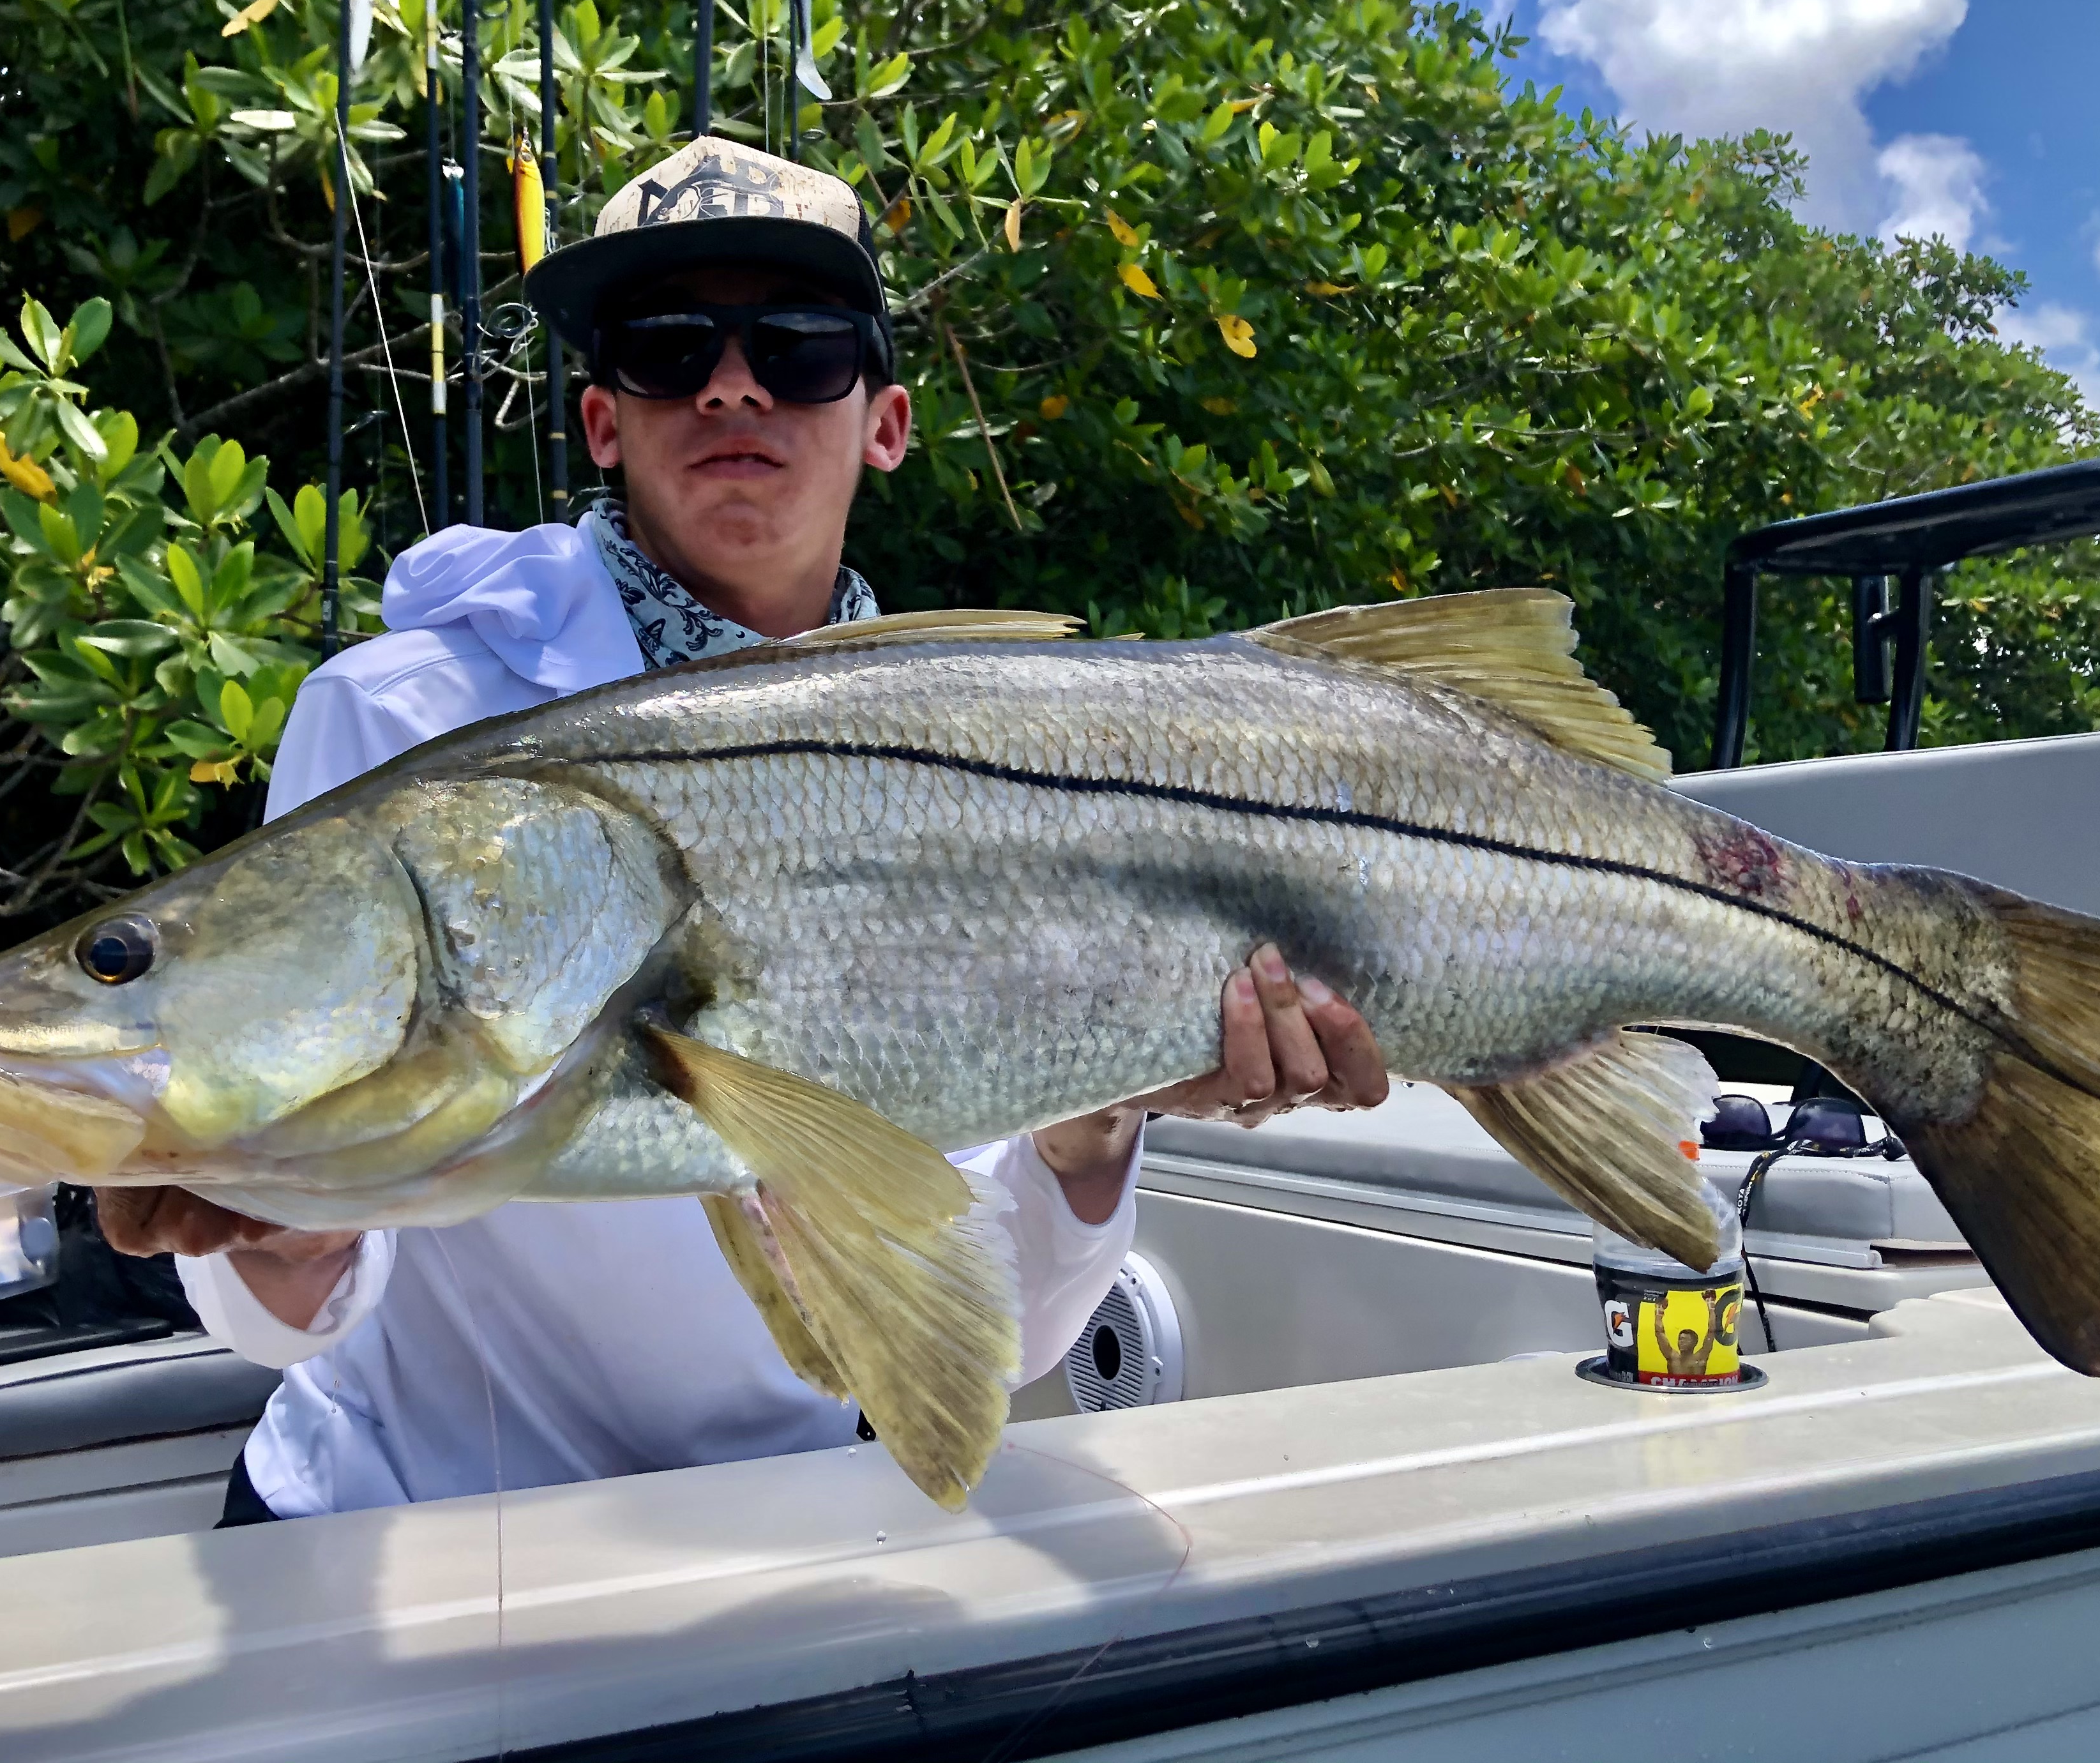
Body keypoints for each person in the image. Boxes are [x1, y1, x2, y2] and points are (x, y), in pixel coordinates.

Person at [100, 139, 1388, 1522]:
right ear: (603, 422)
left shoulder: (993, 760)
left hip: (787, 1544)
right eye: (664, 348)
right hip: (407, 1535)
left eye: (799, 347)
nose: (731, 384)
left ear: (885, 422)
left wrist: (1093, 1129)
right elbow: (282, 1317)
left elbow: (988, 1335)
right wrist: (283, 1228)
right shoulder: (397, 717)